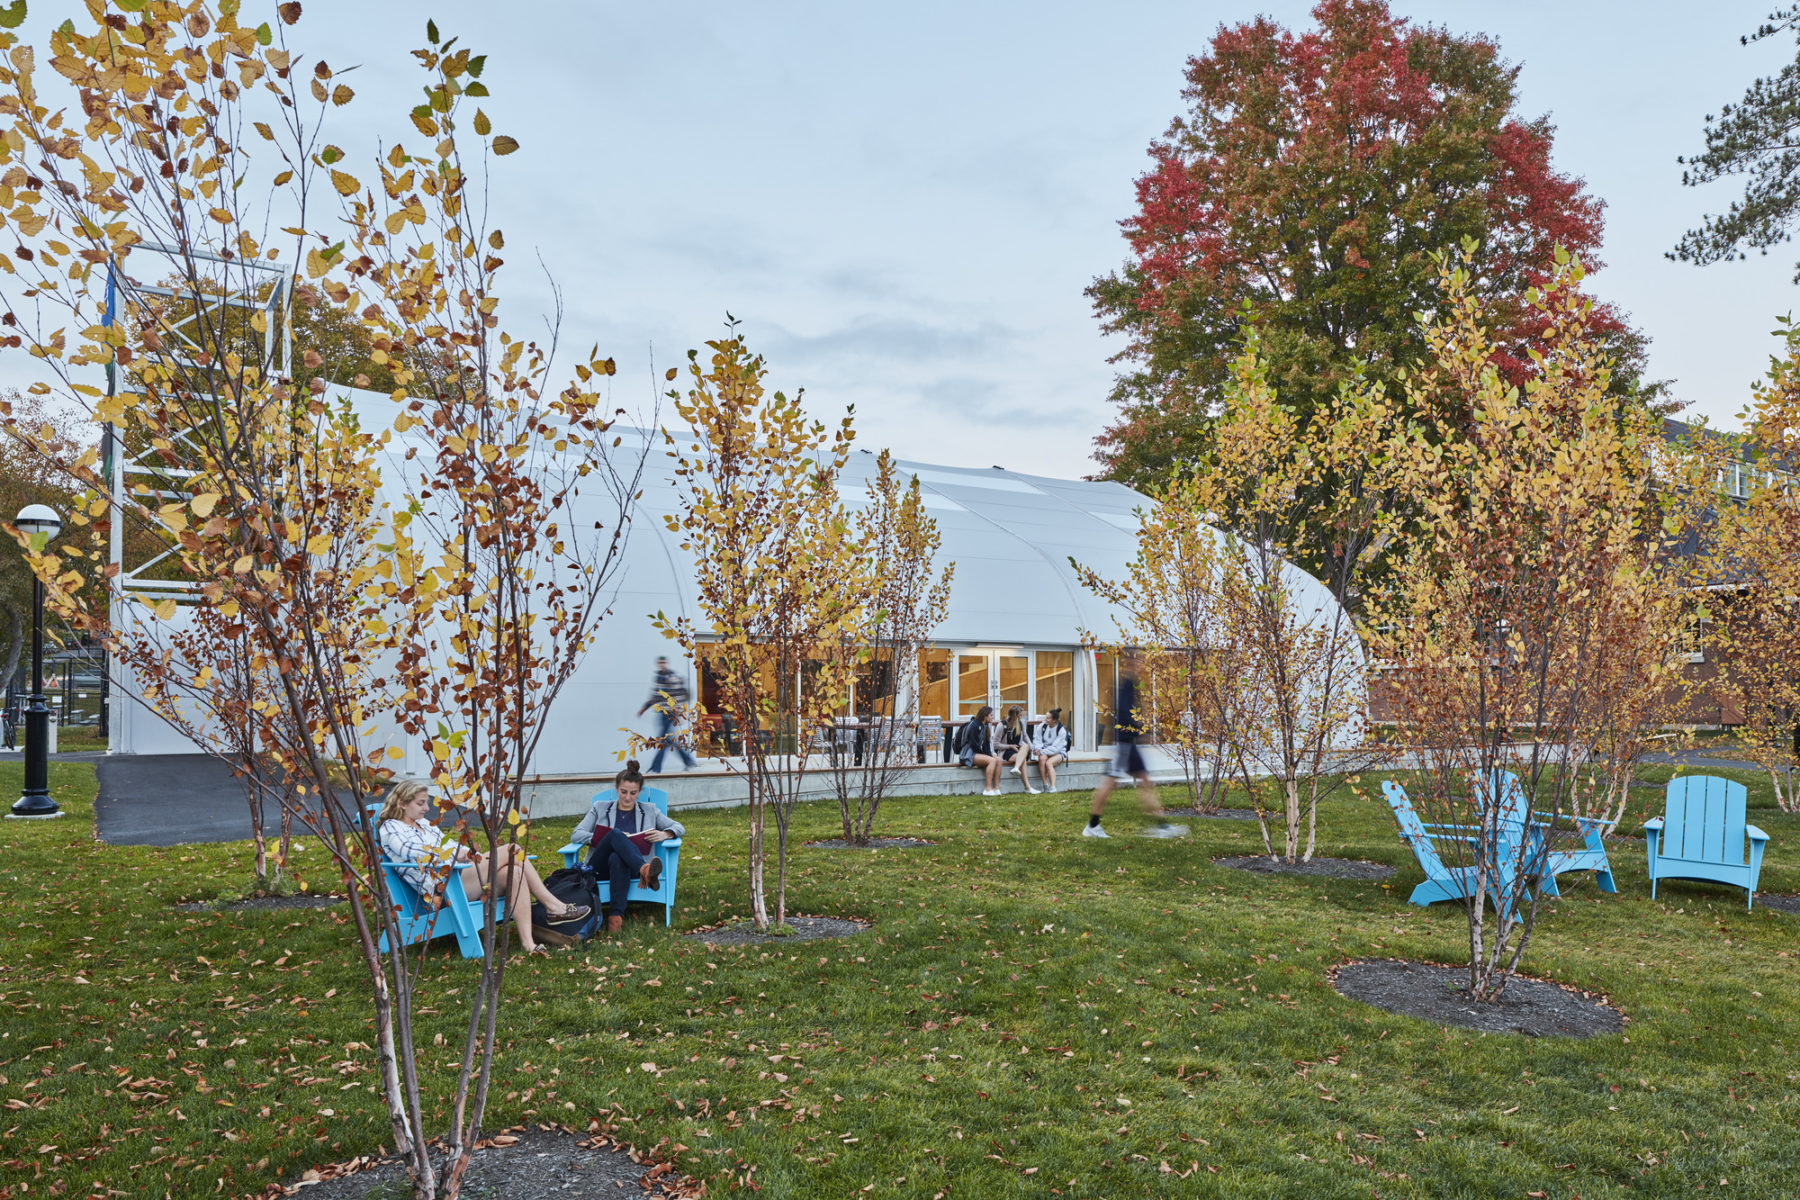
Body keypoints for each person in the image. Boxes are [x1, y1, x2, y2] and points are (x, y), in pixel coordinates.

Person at [377, 780, 588, 956]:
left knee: (514, 872)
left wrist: (466, 854)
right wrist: (456, 854)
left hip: (458, 876)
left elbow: (450, 846)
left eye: (425, 803)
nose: (426, 808)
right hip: (442, 888)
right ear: (403, 803)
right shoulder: (391, 827)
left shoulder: (423, 825)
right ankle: (553, 907)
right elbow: (413, 852)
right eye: (420, 803)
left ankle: (528, 944)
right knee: (513, 849)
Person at [570, 760, 685, 933]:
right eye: (623, 792)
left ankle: (615, 920)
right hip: (599, 868)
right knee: (615, 834)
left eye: (633, 793)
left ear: (639, 792)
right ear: (616, 788)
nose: (627, 797)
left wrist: (665, 834)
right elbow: (576, 834)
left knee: (617, 858)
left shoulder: (650, 810)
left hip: (628, 868)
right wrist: (603, 838)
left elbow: (679, 827)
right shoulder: (600, 808)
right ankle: (645, 870)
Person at [1085, 656, 1188, 839]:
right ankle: (1092, 826)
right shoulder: (1126, 685)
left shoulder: (1131, 684)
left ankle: (1162, 827)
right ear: (1132, 664)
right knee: (1109, 784)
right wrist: (1140, 729)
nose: (1142, 666)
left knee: (1145, 782)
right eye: (1139, 662)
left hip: (1129, 744)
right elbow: (1124, 714)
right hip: (1124, 745)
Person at [636, 656, 697, 773]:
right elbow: (655, 696)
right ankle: (688, 760)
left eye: (664, 662)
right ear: (657, 664)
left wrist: (679, 713)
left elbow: (679, 695)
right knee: (668, 740)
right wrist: (644, 708)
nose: (662, 664)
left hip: (671, 713)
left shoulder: (672, 677)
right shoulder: (658, 678)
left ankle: (656, 767)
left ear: (667, 663)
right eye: (660, 662)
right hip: (662, 712)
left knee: (663, 740)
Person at [957, 704, 1004, 795]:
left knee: (998, 760)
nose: (992, 717)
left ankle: (996, 788)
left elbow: (986, 744)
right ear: (985, 716)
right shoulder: (974, 725)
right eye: (991, 715)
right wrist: (986, 756)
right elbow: (973, 744)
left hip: (977, 752)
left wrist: (989, 754)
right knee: (992, 761)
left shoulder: (985, 726)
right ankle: (987, 789)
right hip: (968, 754)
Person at [996, 705, 1039, 794]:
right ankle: (1028, 787)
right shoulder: (1002, 725)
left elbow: (1026, 737)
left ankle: (1016, 768)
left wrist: (1033, 748)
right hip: (1006, 752)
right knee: (1022, 760)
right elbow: (995, 745)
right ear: (1014, 716)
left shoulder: (1021, 723)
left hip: (1018, 750)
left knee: (1026, 746)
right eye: (1019, 715)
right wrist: (1009, 746)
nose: (1021, 717)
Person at [1030, 707, 1072, 792]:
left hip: (1058, 753)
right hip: (1045, 751)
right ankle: (1045, 785)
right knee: (1042, 758)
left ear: (1054, 720)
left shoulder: (1061, 730)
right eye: (1046, 717)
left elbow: (1055, 749)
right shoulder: (1042, 726)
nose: (1046, 719)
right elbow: (1037, 739)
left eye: (1048, 718)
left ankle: (1053, 787)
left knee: (1049, 763)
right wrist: (1038, 748)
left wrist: (1041, 751)